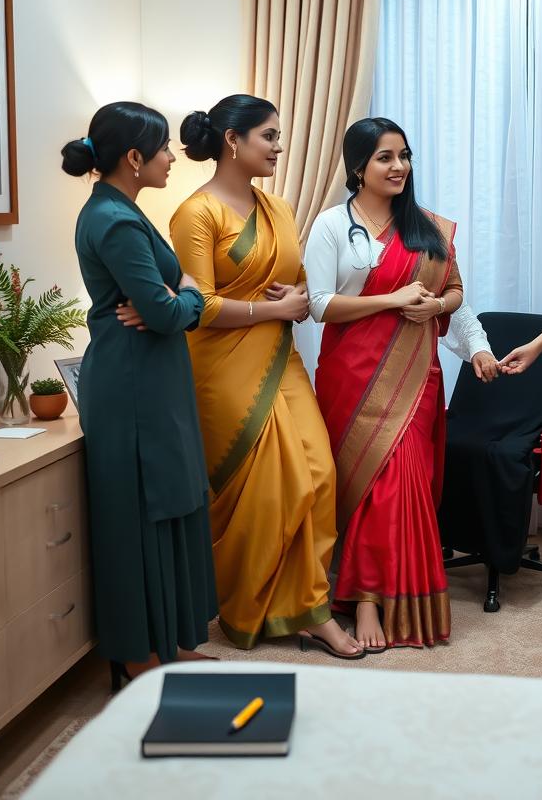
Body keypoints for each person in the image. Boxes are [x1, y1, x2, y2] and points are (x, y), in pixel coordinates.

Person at [166, 94, 362, 659]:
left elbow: (301, 282)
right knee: (268, 491)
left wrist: (299, 299)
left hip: (280, 357)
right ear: (233, 141)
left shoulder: (277, 209)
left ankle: (308, 605)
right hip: (222, 368)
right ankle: (255, 607)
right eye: (269, 136)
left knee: (319, 473)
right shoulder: (196, 214)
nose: (279, 146)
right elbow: (197, 305)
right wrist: (275, 310)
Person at [61, 102, 218, 689]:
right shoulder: (115, 219)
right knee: (138, 518)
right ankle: (136, 657)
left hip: (151, 377)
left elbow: (159, 310)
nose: (172, 157)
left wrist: (173, 302)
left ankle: (167, 648)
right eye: (161, 149)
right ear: (133, 157)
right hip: (131, 385)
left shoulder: (120, 208)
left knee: (171, 504)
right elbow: (162, 309)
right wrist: (192, 295)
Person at [306, 117, 463, 651]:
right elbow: (319, 305)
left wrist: (435, 305)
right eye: (385, 158)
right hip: (350, 371)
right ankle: (364, 596)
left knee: (399, 481)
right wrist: (392, 300)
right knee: (364, 482)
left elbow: (457, 291)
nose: (399, 167)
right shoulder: (331, 226)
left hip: (415, 374)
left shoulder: (429, 228)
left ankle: (376, 597)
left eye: (404, 155)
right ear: (358, 167)